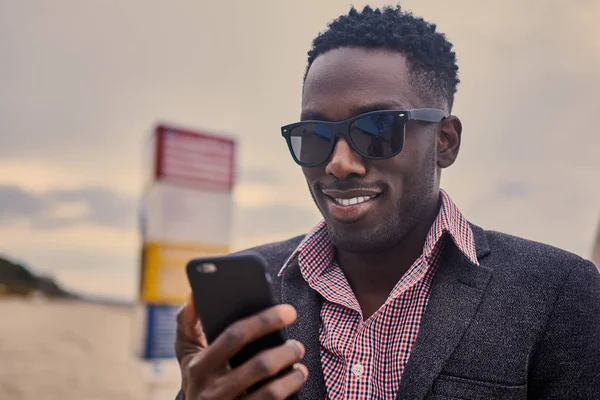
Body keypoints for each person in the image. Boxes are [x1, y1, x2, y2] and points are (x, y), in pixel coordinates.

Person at [174, 5, 600, 400]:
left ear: (445, 142)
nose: (339, 164)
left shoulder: (557, 293)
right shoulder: (251, 295)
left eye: (377, 129)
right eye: (315, 135)